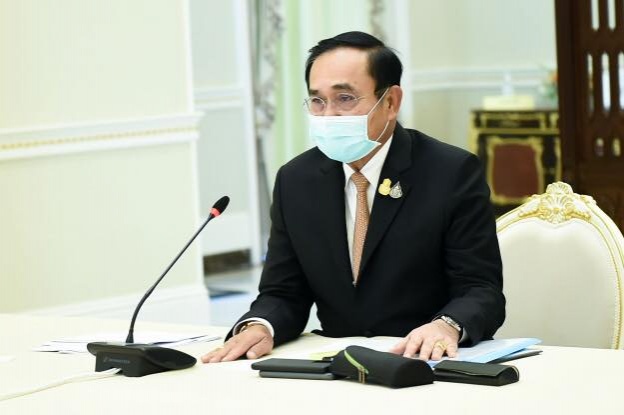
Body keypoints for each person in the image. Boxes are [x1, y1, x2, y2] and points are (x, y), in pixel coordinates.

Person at [202, 31, 505, 364]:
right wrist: (261, 325)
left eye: (345, 98)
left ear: (391, 102)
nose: (328, 115)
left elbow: (481, 290)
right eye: (317, 101)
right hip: (337, 366)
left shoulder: (450, 172)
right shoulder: (296, 180)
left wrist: (446, 326)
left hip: (424, 362)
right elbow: (283, 292)